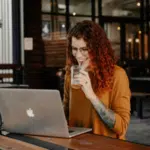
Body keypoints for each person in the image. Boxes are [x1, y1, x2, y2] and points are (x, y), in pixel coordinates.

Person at [63, 20, 131, 140]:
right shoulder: (71, 74)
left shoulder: (117, 75)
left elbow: (121, 127)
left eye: (84, 49)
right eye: (74, 49)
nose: (78, 55)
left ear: (97, 50)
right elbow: (65, 114)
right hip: (76, 145)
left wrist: (92, 96)